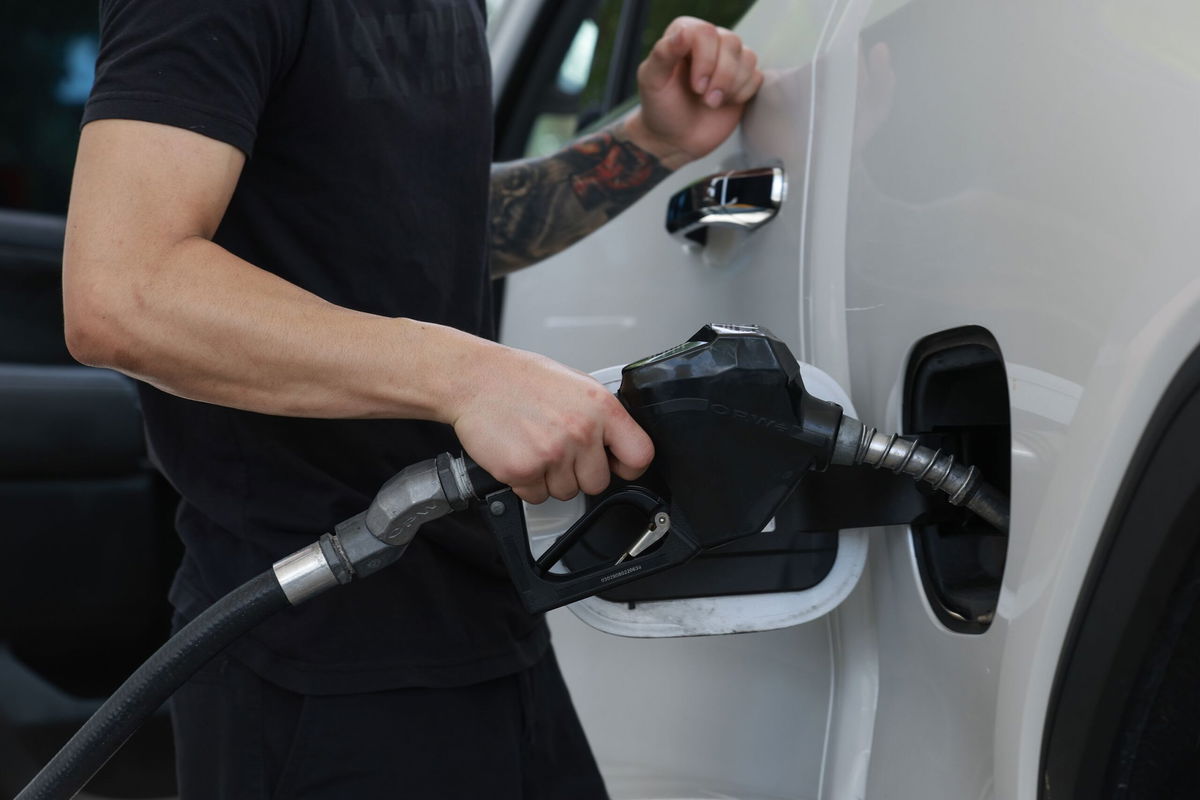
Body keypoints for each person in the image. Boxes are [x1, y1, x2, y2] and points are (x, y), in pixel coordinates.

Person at [64, 1, 763, 797]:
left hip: (483, 613)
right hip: (316, 652)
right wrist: (469, 375)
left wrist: (650, 144)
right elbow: (124, 293)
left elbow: (424, 220)